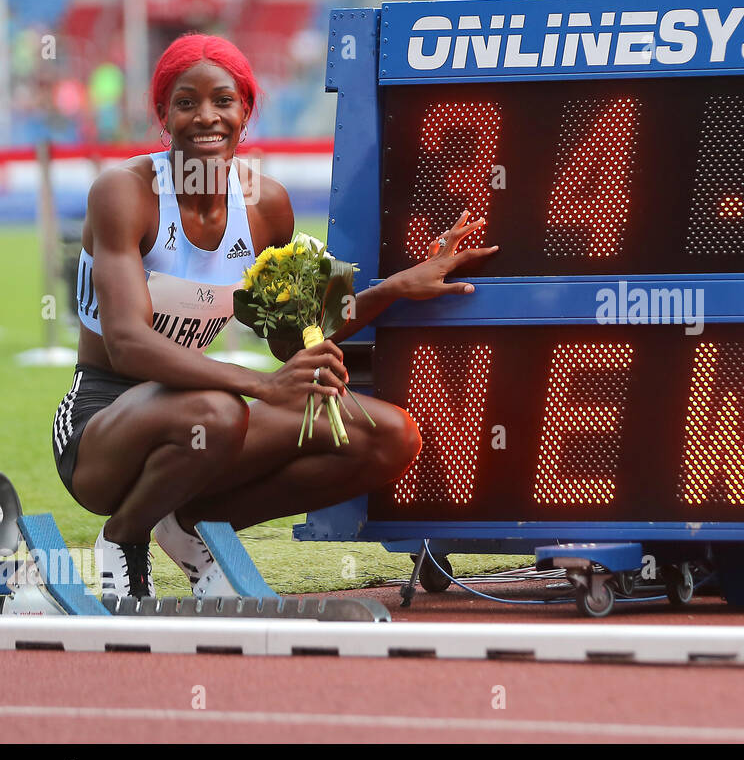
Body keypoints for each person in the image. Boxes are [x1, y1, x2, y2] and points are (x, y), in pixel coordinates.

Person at [51, 33, 497, 598]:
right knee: (219, 412)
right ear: (163, 115)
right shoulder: (125, 191)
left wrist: (396, 288)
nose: (205, 117)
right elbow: (127, 344)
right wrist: (262, 387)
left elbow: (303, 333)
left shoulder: (267, 204)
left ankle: (191, 524)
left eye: (223, 101)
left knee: (389, 437)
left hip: (204, 423)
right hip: (102, 425)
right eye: (186, 103)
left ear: (246, 111)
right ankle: (124, 535)